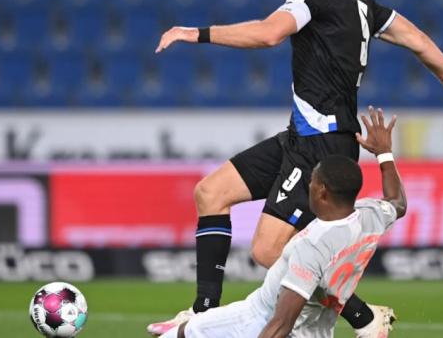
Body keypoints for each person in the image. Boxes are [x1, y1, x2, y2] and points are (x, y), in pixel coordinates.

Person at [149, 0, 443, 336]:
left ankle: (363, 316)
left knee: (268, 250)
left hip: (321, 144)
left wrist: (194, 33)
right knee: (211, 192)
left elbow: (269, 33)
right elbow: (415, 38)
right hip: (303, 136)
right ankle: (202, 312)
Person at [156, 107, 407, 338]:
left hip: (259, 321)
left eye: (311, 181)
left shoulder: (312, 246)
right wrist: (384, 153)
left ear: (322, 192)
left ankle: (364, 317)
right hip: (311, 330)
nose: (307, 185)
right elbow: (397, 202)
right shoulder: (370, 215)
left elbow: (280, 324)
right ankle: (365, 317)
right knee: (183, 332)